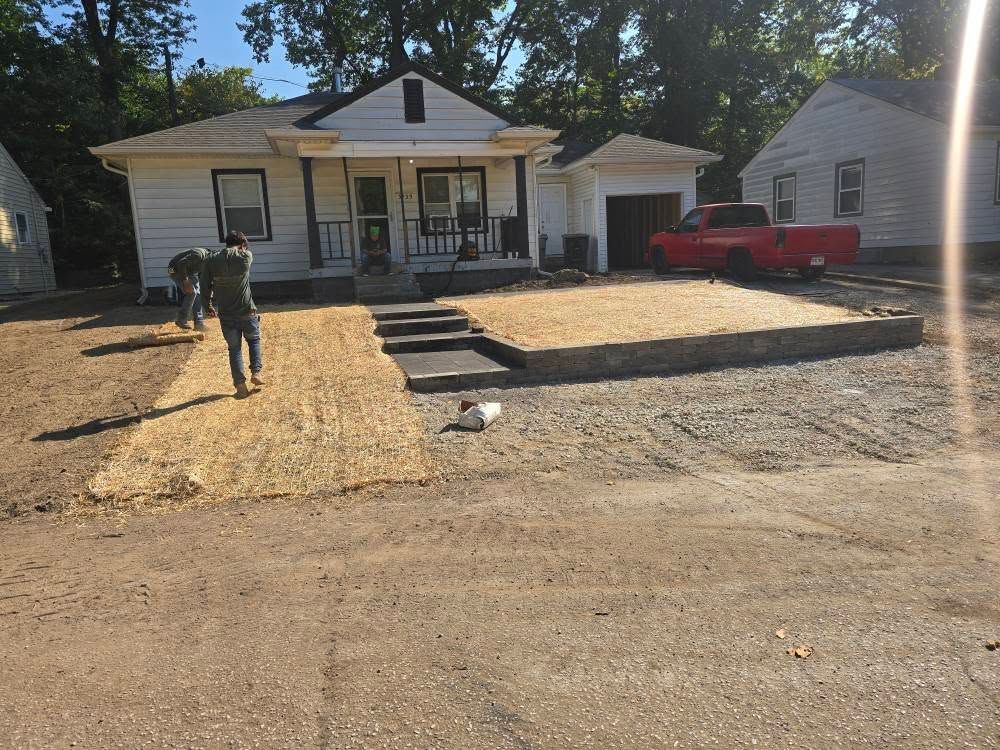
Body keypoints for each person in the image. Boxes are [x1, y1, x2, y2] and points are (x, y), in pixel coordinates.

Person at [201, 231, 264, 399]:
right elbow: (239, 252)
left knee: (234, 349)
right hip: (247, 311)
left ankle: (240, 385)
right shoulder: (246, 257)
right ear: (242, 244)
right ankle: (256, 372)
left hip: (226, 314)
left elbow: (205, 285)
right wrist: (242, 247)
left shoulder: (210, 260)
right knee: (254, 340)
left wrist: (207, 305)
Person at [166, 247, 211, 330]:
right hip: (172, 268)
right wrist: (185, 281)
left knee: (198, 293)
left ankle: (199, 323)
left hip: (187, 271)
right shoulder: (198, 255)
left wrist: (209, 305)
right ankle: (181, 319)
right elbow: (181, 263)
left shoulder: (207, 263)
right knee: (191, 292)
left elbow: (203, 280)